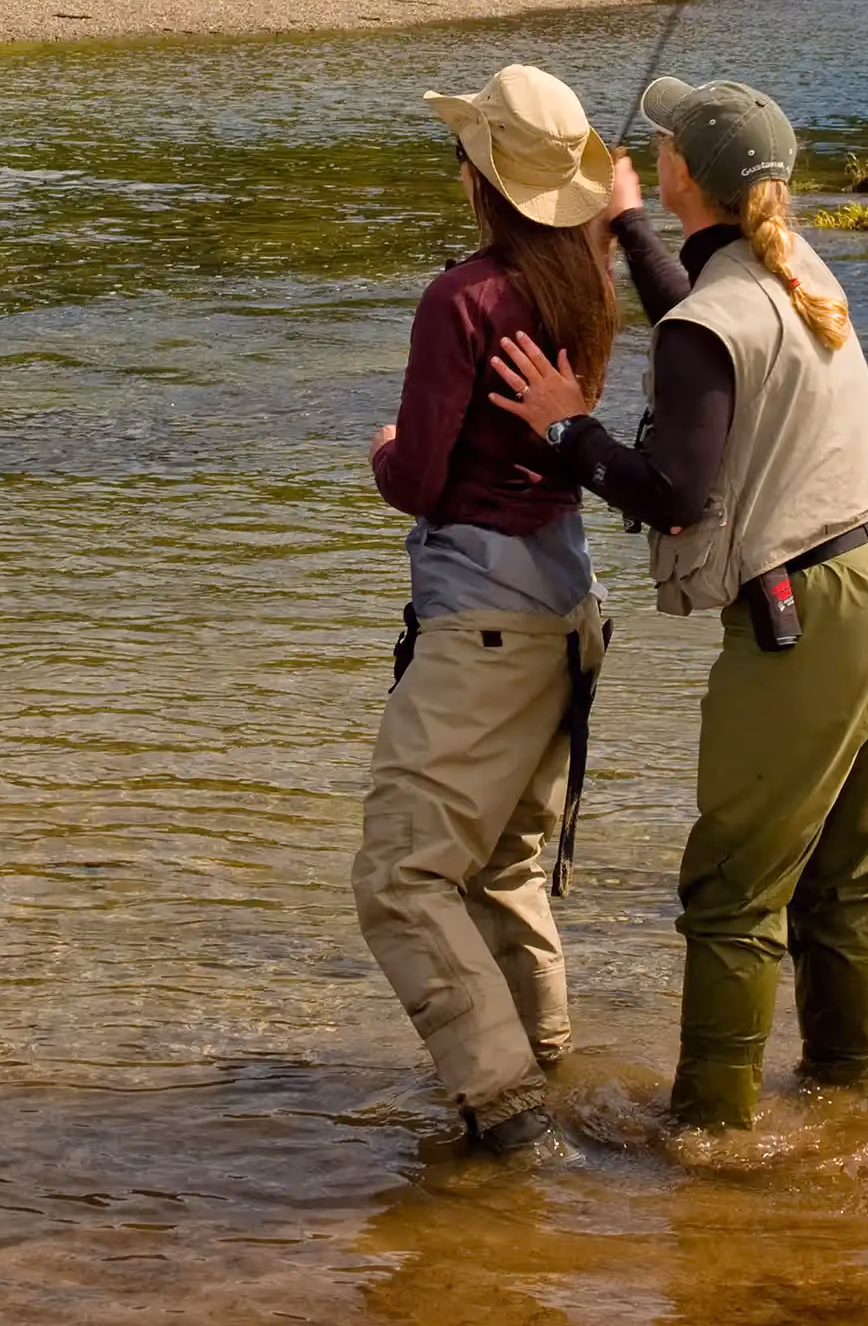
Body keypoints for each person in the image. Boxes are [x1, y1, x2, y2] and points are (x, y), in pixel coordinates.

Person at [490, 75, 868, 1132]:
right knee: (846, 885)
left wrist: (569, 427)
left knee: (733, 897)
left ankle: (709, 1138)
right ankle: (848, 1103)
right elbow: (700, 325)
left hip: (814, 617)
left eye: (666, 148)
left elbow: (677, 494)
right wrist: (630, 223)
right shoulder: (795, 267)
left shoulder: (713, 317)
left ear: (686, 170)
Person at [353, 63, 617, 1156]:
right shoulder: (591, 283)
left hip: (485, 621)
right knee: (506, 866)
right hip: (570, 611)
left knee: (401, 878)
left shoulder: (461, 297)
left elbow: (418, 479)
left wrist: (379, 454)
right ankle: (545, 1066)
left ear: (479, 178)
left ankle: (510, 1117)